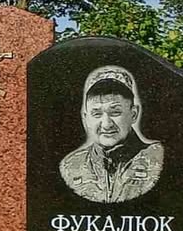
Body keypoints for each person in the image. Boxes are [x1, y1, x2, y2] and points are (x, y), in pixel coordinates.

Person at [59, 65, 163, 203]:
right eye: (97, 114)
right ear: (86, 118)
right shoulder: (70, 167)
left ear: (133, 114)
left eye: (115, 112)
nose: (106, 124)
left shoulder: (159, 159)